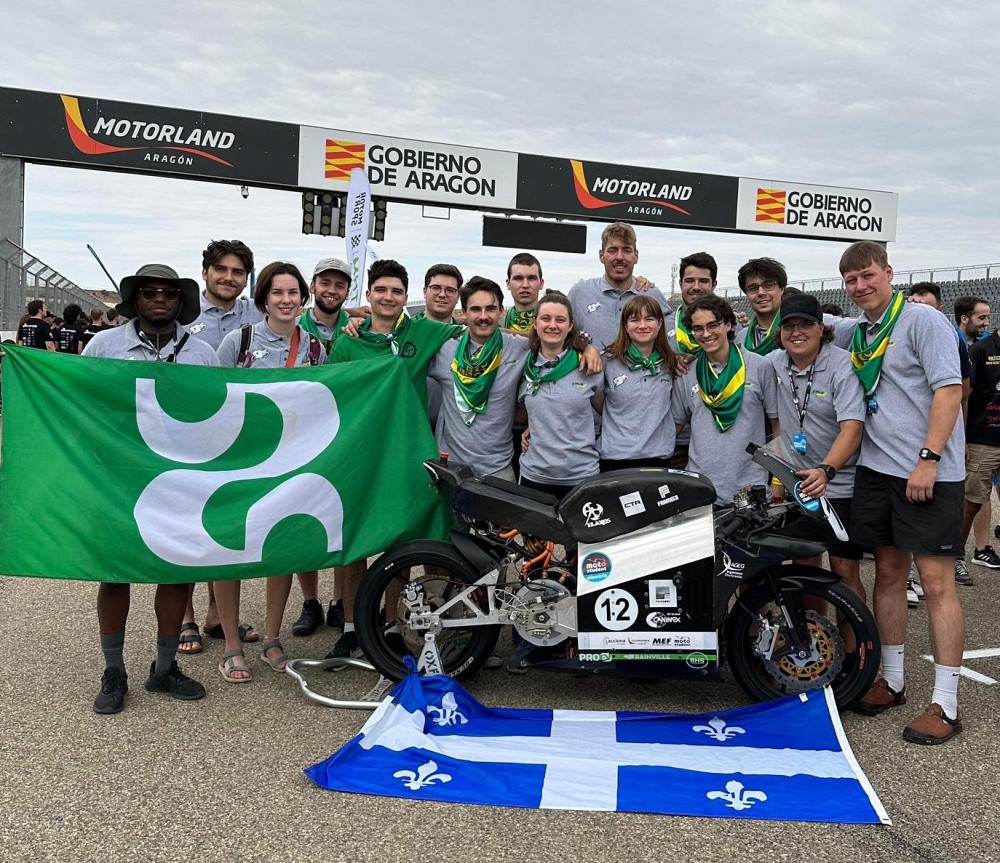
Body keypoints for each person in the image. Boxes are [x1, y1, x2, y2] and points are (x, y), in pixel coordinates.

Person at [842, 241, 966, 745]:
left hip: (928, 472)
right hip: (877, 471)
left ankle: (947, 703)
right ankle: (892, 680)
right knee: (889, 576)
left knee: (936, 584)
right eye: (851, 280)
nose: (860, 286)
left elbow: (950, 390)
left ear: (888, 273)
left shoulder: (922, 321)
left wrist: (929, 458)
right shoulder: (858, 330)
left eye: (868, 275)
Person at [83, 263, 220, 713]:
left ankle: (163, 668)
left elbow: (219, 414)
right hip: (118, 479)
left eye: (167, 292)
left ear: (180, 300)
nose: (159, 298)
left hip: (178, 480)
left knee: (177, 571)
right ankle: (114, 669)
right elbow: (79, 407)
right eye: (149, 292)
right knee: (114, 570)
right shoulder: (103, 346)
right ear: (135, 298)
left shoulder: (202, 352)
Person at [326, 259, 464, 662]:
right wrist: (350, 318)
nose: (388, 297)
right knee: (358, 542)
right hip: (361, 455)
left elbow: (484, 329)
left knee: (402, 541)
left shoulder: (423, 330)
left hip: (405, 454)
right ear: (368, 295)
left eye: (396, 292)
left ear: (407, 298)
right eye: (381, 290)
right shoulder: (347, 341)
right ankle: (352, 626)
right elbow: (330, 396)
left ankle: (390, 622)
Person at [213, 262, 326, 681]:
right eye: (277, 293)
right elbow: (212, 401)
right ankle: (231, 644)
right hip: (238, 463)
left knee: (280, 547)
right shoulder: (237, 341)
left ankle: (273, 638)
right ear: (263, 298)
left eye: (293, 293)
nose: (286, 300)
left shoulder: (315, 350)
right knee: (230, 551)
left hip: (290, 463)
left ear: (303, 298)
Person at [180, 239, 260, 653]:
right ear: (206, 271)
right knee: (187, 526)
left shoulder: (255, 313)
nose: (230, 278)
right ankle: (186, 617)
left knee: (227, 524)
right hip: (190, 437)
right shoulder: (184, 311)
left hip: (236, 440)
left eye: (238, 272)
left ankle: (216, 614)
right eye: (222, 270)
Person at [768, 294, 866, 599]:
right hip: (798, 486)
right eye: (789, 326)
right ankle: (816, 643)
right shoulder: (772, 363)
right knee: (804, 569)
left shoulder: (843, 365)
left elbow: (852, 429)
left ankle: (855, 647)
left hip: (838, 485)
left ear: (821, 328)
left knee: (844, 572)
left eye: (805, 325)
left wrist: (826, 470)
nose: (796, 332)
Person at [291, 258, 355, 638]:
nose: (332, 290)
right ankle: (310, 601)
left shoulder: (354, 327)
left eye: (339, 285)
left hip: (342, 434)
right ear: (313, 285)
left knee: (339, 518)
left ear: (347, 292)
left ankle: (338, 601)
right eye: (325, 282)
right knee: (303, 517)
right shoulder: (295, 325)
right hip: (301, 435)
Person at [674, 295, 779, 504]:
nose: (706, 334)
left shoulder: (760, 366)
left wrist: (777, 482)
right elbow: (674, 427)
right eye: (698, 328)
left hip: (750, 489)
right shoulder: (686, 372)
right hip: (700, 489)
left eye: (713, 325)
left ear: (728, 324)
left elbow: (777, 426)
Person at [519, 292, 604, 499]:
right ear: (536, 323)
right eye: (545, 318)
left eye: (560, 320)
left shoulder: (589, 365)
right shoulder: (522, 363)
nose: (552, 326)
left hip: (581, 475)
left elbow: (607, 413)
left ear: (571, 325)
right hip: (535, 475)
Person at [596, 295, 681, 471]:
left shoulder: (672, 364)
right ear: (625, 326)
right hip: (615, 457)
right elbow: (598, 402)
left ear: (659, 324)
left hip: (658, 458)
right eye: (635, 320)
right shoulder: (607, 361)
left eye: (649, 319)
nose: (642, 325)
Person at [568, 222, 671, 353]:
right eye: (612, 250)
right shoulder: (580, 292)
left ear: (636, 255)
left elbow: (672, 338)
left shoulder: (651, 294)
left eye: (627, 250)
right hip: (589, 373)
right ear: (601, 255)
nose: (619, 257)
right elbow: (562, 335)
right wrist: (585, 349)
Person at [735, 258, 786, 356]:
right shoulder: (741, 337)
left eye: (768, 285)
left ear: (782, 288)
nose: (761, 292)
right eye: (752, 288)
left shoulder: (796, 332)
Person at [504, 252, 545, 335]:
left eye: (531, 278)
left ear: (541, 283)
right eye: (518, 278)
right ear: (508, 284)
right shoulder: (496, 322)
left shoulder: (554, 323)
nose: (525, 285)